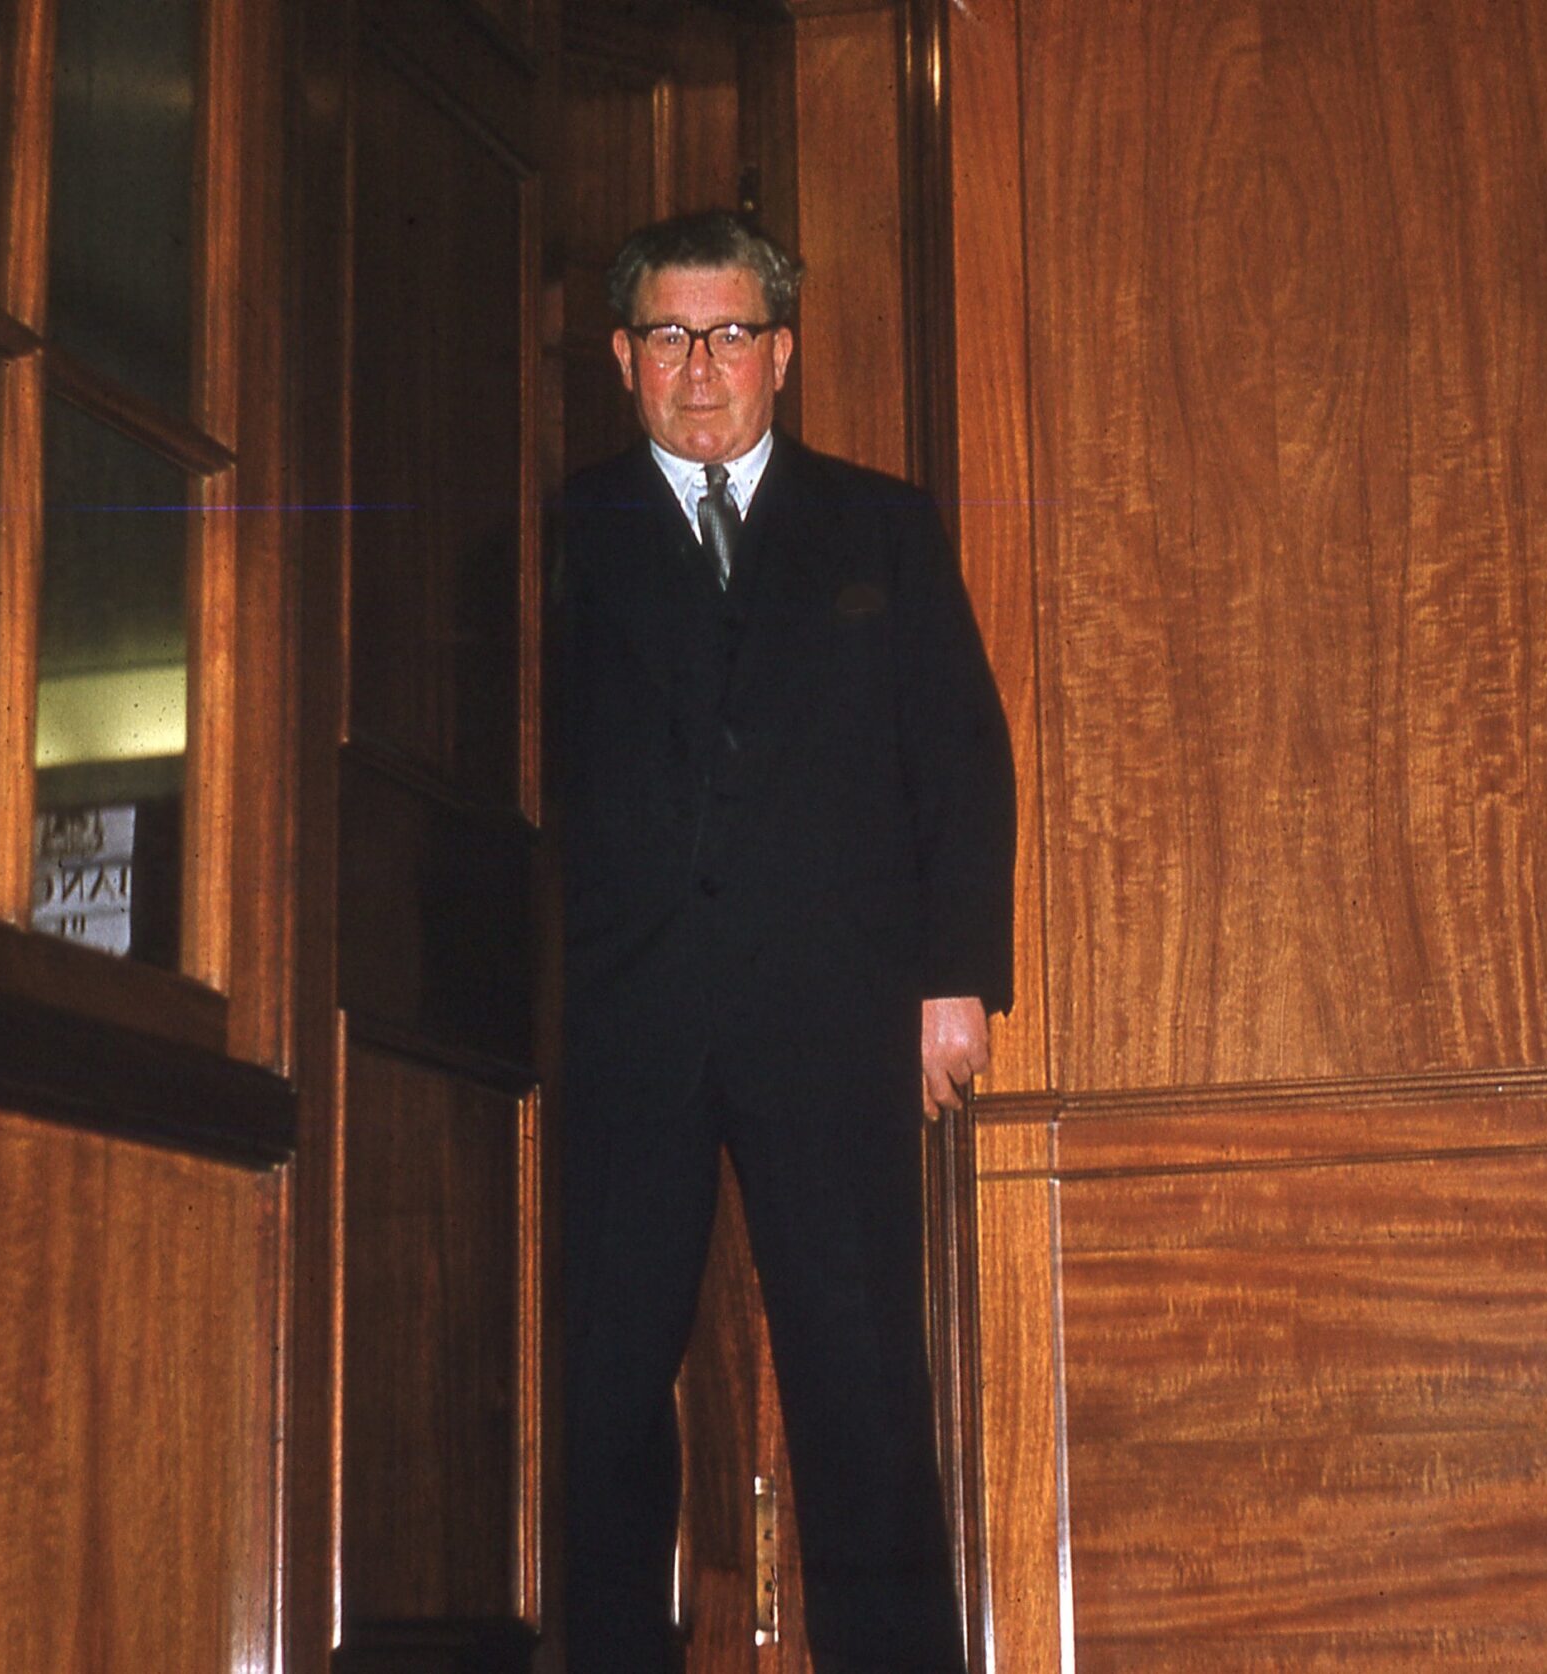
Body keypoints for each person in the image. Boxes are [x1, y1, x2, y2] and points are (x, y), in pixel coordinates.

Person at [557, 209, 1015, 1674]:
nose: (701, 367)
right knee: (606, 1381)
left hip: (834, 1016)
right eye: (670, 336)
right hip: (624, 1026)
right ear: (624, 357)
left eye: (731, 334)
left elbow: (960, 756)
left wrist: (954, 979)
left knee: (862, 1379)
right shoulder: (561, 536)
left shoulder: (883, 526)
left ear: (783, 353)